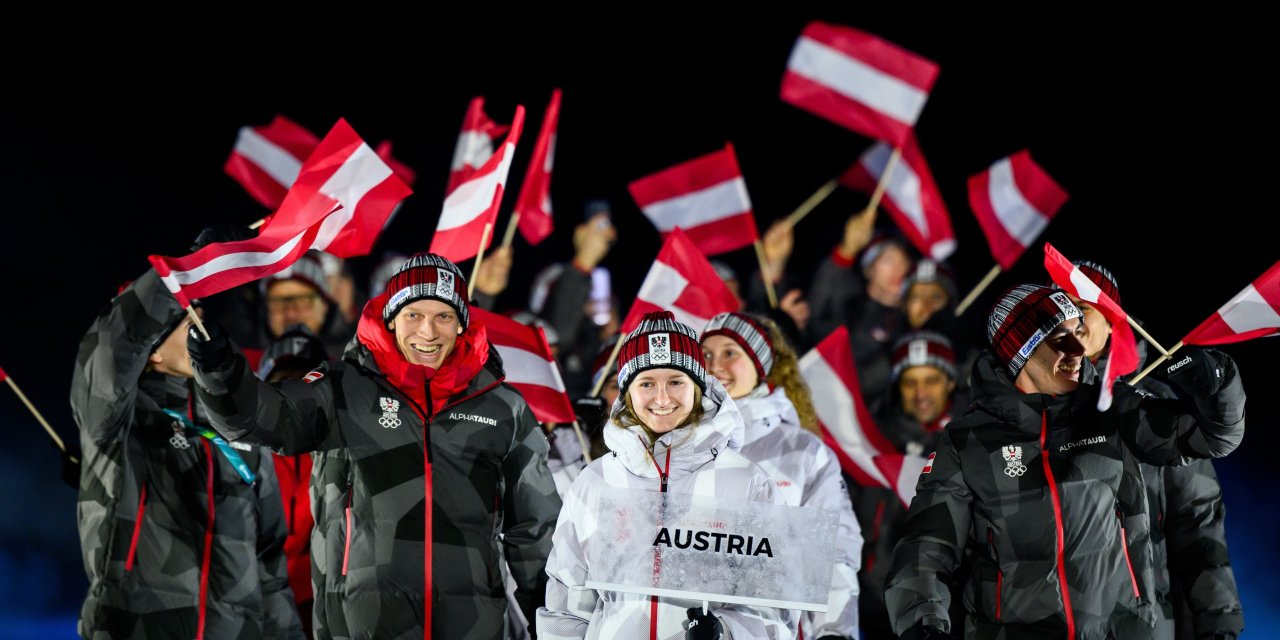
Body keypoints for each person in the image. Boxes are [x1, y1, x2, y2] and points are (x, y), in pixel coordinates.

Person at [187, 253, 562, 639]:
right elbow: (258, 420)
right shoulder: (341, 388)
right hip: (363, 625)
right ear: (392, 317)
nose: (428, 332)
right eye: (413, 315)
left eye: (444, 316)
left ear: (462, 324)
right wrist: (219, 368)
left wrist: (554, 626)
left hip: (471, 625)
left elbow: (536, 530)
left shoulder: (502, 406)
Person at [884, 285, 1247, 640]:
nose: (1077, 349)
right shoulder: (967, 442)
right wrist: (923, 624)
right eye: (1059, 339)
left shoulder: (1112, 408)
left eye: (1077, 331)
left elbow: (1213, 438)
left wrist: (1219, 381)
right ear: (1020, 354)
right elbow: (926, 546)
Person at [70, 268, 301, 639]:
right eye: (186, 322)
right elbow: (113, 346)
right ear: (153, 351)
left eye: (201, 317)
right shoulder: (117, 419)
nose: (201, 329)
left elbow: (269, 563)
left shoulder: (238, 421)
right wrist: (178, 273)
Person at [537, 311, 790, 639]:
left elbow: (777, 604)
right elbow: (567, 602)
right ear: (627, 391)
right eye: (646, 383)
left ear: (697, 386)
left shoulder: (747, 482)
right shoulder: (595, 481)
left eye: (675, 381)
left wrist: (726, 632)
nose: (661, 398)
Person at [1052, 261, 1244, 640]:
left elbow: (1196, 521)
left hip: (1142, 624)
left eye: (1083, 308)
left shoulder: (1152, 404)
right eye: (1059, 308)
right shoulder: (1025, 405)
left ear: (1111, 323)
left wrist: (1217, 624)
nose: (1070, 319)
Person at [701, 311, 863, 639]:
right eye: (705, 355)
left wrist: (834, 631)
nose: (715, 365)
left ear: (760, 366)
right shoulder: (680, 441)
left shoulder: (802, 452)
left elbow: (833, 552)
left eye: (730, 353)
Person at [855, 330, 959, 639]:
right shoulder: (871, 440)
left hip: (950, 608)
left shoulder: (972, 441)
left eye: (932, 380)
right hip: (875, 604)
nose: (920, 393)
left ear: (951, 382)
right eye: (910, 382)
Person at [256, 323, 331, 637]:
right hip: (257, 607)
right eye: (282, 381)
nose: (293, 392)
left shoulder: (346, 452)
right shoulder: (239, 456)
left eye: (305, 381)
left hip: (328, 605)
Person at [807, 209, 914, 403]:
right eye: (889, 260)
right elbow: (817, 312)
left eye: (904, 262)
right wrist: (847, 250)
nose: (899, 269)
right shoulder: (847, 306)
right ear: (869, 268)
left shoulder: (912, 325)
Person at [260, 250, 353, 358]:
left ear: (324, 305)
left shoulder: (354, 365)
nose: (290, 313)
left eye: (302, 301)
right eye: (278, 303)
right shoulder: (245, 367)